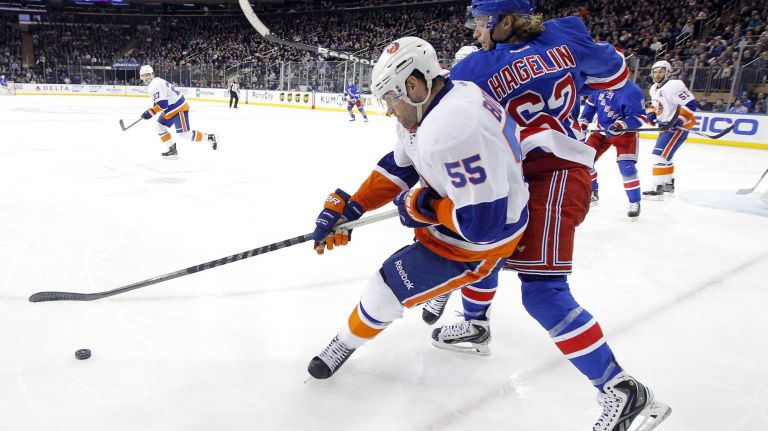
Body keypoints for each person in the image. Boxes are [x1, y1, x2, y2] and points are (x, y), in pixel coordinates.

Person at [424, 1, 671, 430]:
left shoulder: (474, 69)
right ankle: (475, 325)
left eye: (480, 23)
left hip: (555, 174)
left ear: (504, 21)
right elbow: (614, 74)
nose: (476, 32)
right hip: (523, 176)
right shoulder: (566, 33)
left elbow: (436, 120)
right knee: (484, 245)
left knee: (542, 291)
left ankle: (623, 391)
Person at [306, 37, 529, 382]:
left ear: (413, 85)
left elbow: (483, 226)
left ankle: (344, 343)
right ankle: (444, 286)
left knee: (383, 289)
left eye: (390, 99)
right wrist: (353, 206)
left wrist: (424, 205)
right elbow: (401, 165)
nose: (388, 110)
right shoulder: (444, 100)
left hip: (479, 243)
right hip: (470, 215)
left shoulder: (451, 128)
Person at [578, 81, 646, 219]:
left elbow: (639, 117)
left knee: (626, 167)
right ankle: (593, 192)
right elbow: (589, 108)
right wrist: (583, 124)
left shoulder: (632, 90)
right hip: (601, 131)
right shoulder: (598, 86)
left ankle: (635, 202)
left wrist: (620, 125)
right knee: (584, 159)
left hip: (625, 133)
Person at [642, 60, 697, 200]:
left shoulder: (674, 85)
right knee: (666, 156)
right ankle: (668, 185)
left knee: (658, 155)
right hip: (665, 126)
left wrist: (678, 121)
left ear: (667, 72)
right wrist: (651, 114)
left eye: (660, 71)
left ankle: (658, 188)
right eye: (655, 71)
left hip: (676, 128)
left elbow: (691, 104)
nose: (657, 74)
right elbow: (656, 106)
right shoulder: (654, 88)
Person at [138, 65, 218, 159]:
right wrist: (152, 110)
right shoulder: (157, 81)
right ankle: (171, 149)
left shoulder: (154, 85)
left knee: (184, 135)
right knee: (160, 126)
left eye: (147, 75)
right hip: (171, 108)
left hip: (178, 108)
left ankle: (209, 137)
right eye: (143, 75)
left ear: (152, 74)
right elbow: (161, 100)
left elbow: (163, 105)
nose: (146, 77)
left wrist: (150, 112)